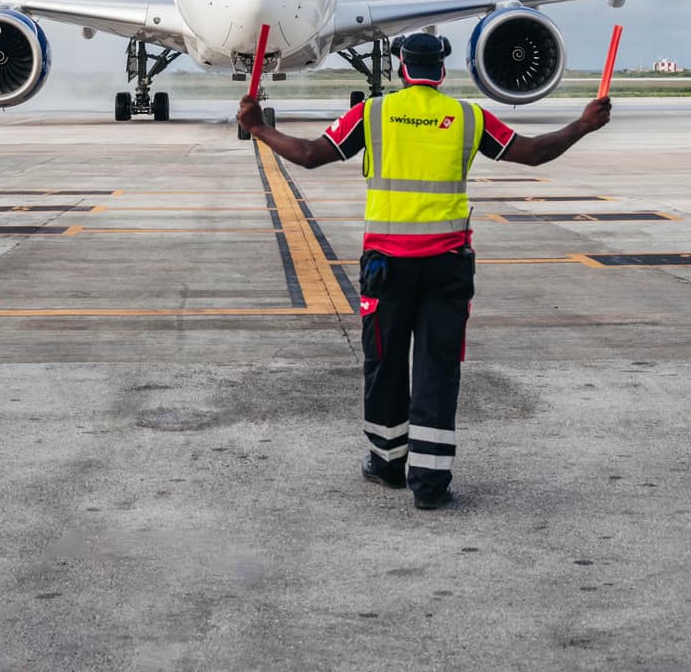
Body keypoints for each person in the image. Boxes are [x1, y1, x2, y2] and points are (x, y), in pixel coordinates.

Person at [237, 32, 611, 510]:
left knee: (384, 363)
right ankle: (431, 485)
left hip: (386, 267)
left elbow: (311, 155)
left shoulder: (373, 113)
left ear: (399, 68)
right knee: (438, 368)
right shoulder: (467, 118)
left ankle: (388, 464)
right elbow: (533, 152)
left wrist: (259, 127)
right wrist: (581, 125)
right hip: (446, 268)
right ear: (442, 71)